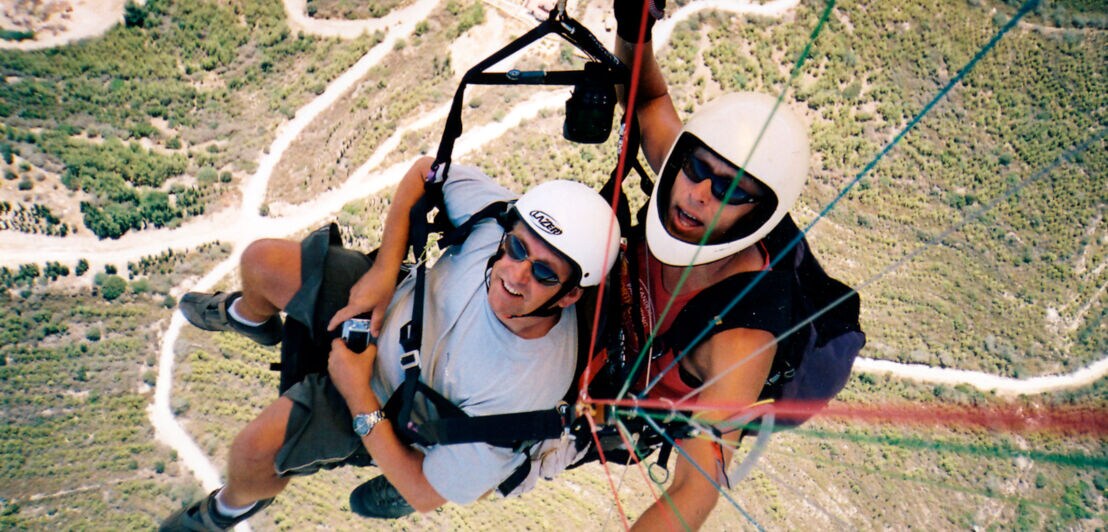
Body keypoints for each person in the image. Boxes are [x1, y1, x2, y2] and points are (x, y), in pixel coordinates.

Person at [159, 156, 621, 530]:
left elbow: (423, 493)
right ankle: (250, 317)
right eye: (517, 249)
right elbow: (426, 172)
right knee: (261, 261)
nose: (514, 275)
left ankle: (228, 509)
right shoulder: (496, 223)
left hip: (384, 408)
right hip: (381, 307)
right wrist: (382, 273)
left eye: (543, 274)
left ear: (571, 294)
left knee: (253, 452)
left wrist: (357, 391)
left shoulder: (523, 394)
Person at [514, 2, 816, 529]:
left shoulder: (741, 339)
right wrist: (634, 25)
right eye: (698, 168)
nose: (699, 194)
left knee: (503, 444)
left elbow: (696, 490)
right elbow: (647, 95)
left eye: (729, 191)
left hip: (617, 400)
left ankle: (449, 471)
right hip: (590, 317)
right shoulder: (683, 184)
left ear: (757, 215)